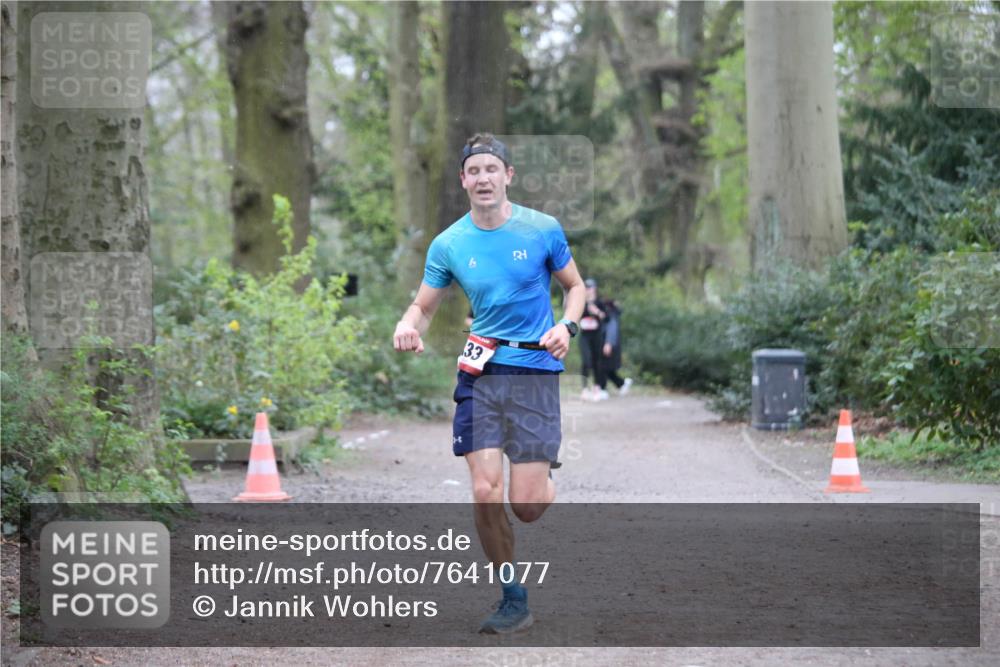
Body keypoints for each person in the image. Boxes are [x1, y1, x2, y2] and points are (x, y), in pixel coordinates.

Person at [393, 133, 585, 634]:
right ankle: (512, 595)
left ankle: (545, 484)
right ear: (463, 180)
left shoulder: (541, 230)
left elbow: (576, 288)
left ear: (508, 176)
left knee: (526, 506)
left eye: (490, 169)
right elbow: (425, 304)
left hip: (534, 372)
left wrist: (566, 327)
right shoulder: (450, 243)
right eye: (473, 170)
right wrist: (408, 323)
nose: (482, 178)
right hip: (480, 372)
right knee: (483, 490)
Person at [579, 278, 609, 401]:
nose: (588, 290)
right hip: (585, 336)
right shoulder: (580, 302)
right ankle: (585, 388)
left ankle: (597, 387)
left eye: (590, 287)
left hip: (597, 336)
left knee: (598, 361)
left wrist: (597, 312)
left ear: (595, 289)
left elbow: (607, 318)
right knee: (586, 361)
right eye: (586, 288)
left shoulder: (600, 302)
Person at [600, 299, 633, 396]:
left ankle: (604, 389)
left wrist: (608, 343)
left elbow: (612, 329)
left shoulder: (611, 314)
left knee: (604, 367)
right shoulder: (612, 313)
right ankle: (622, 383)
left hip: (608, 345)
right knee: (607, 369)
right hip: (606, 344)